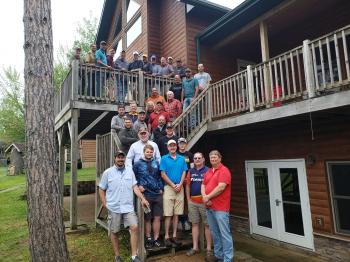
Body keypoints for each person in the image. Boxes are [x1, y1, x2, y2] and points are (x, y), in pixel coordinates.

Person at [99, 150, 149, 262]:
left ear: (125, 158)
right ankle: (117, 256)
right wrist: (104, 203)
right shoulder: (107, 172)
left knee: (134, 227)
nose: (120, 159)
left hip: (128, 207)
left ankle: (133, 256)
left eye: (122, 157)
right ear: (115, 158)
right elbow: (101, 189)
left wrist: (142, 198)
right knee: (114, 231)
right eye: (118, 157)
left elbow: (135, 187)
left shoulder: (130, 171)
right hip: (114, 207)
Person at [202, 150, 233, 262]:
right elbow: (203, 185)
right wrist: (205, 198)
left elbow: (221, 187)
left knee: (225, 234)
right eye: (211, 157)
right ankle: (218, 256)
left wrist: (208, 197)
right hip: (209, 208)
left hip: (221, 208)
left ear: (220, 158)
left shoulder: (224, 170)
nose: (213, 159)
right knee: (215, 233)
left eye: (215, 157)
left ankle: (228, 259)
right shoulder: (209, 171)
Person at [133, 144, 164, 249]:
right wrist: (139, 185)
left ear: (153, 153)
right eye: (147, 151)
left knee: (157, 218)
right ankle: (149, 238)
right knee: (147, 218)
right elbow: (134, 177)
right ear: (144, 152)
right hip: (146, 195)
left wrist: (161, 187)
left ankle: (156, 239)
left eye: (151, 152)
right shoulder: (137, 164)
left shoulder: (156, 163)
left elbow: (160, 176)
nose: (149, 153)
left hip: (157, 194)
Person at [160, 140, 188, 247]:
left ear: (176, 147)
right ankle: (167, 236)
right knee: (168, 214)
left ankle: (174, 236)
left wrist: (180, 184)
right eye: (170, 146)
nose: (172, 147)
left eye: (174, 145)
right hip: (169, 188)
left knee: (177, 214)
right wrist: (173, 185)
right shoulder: (164, 158)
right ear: (168, 147)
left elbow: (184, 172)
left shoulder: (182, 159)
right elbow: (163, 174)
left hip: (179, 188)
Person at [185, 152, 212, 259]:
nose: (197, 160)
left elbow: (211, 186)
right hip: (193, 202)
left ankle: (209, 248)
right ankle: (195, 247)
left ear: (203, 159)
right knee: (194, 224)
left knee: (207, 225)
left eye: (199, 158)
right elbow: (187, 186)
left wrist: (208, 198)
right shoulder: (190, 171)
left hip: (205, 203)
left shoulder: (208, 170)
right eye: (195, 158)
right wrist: (188, 199)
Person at [177, 138, 193, 232]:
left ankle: (186, 219)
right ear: (178, 145)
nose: (182, 145)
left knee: (187, 200)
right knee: (179, 200)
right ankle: (180, 220)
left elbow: (191, 167)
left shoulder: (189, 155)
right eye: (180, 143)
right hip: (178, 180)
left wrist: (189, 177)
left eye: (184, 143)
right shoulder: (176, 154)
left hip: (187, 180)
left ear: (186, 144)